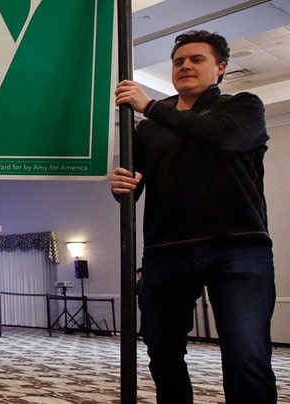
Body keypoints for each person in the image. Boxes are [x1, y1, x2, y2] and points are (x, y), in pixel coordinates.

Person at [110, 29, 276, 403]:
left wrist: (151, 106)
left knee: (246, 356)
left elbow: (222, 138)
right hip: (167, 252)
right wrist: (121, 185)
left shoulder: (242, 107)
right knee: (163, 353)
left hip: (238, 249)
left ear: (220, 69)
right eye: (178, 61)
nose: (185, 66)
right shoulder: (149, 129)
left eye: (196, 59)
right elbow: (132, 193)